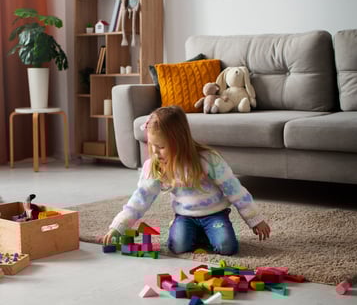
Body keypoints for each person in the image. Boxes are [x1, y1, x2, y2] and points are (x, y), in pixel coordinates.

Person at [102, 105, 270, 255]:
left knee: (227, 247)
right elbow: (140, 199)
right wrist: (119, 226)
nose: (155, 151)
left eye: (161, 147)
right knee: (177, 247)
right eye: (151, 144)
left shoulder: (208, 160)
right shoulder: (155, 166)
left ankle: (208, 232)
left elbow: (235, 190)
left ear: (180, 143)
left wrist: (255, 219)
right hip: (185, 216)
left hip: (215, 215)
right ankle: (195, 232)